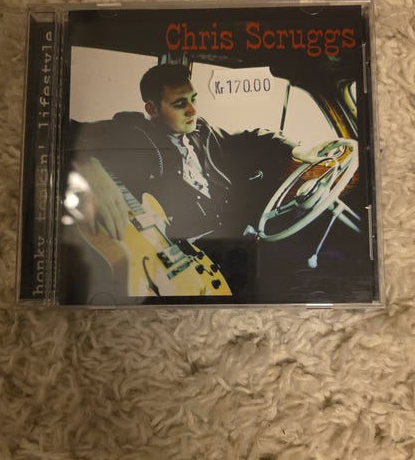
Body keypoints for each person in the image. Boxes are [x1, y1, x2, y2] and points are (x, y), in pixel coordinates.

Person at [68, 63, 354, 299]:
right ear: (152, 109)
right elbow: (67, 131)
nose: (193, 111)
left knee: (315, 266)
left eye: (194, 100)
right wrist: (89, 167)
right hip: (185, 255)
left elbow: (254, 137)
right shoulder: (132, 130)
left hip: (233, 239)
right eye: (180, 104)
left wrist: (295, 149)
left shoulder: (202, 132)